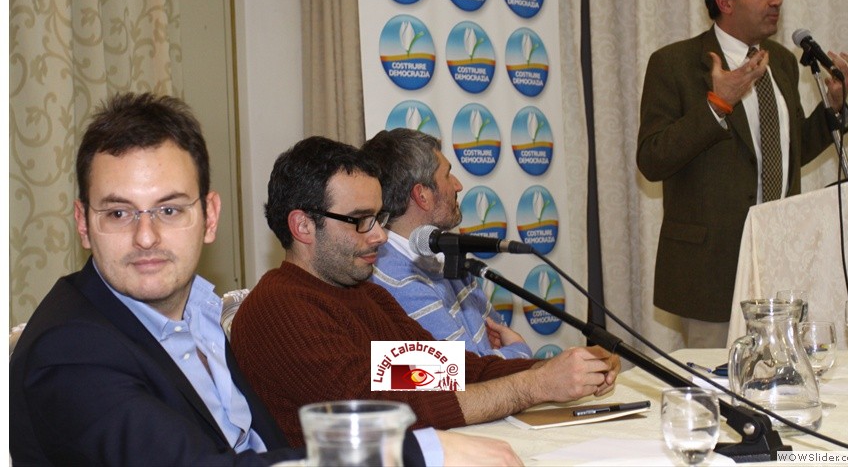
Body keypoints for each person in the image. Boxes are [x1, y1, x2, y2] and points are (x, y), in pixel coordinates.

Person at [10, 93, 514, 467]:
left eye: (170, 209)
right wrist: (427, 449)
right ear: (83, 224)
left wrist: (534, 375)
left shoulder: (359, 298)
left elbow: (440, 370)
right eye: (119, 213)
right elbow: (392, 400)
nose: (146, 236)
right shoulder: (70, 346)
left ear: (210, 217)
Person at [230, 136, 620, 448]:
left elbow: (448, 372)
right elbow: (387, 414)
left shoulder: (366, 296)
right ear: (302, 226)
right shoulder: (278, 310)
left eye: (378, 218)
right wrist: (536, 386)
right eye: (360, 220)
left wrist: (562, 369)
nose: (380, 236)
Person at [636, 0, 848, 348]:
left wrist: (834, 108)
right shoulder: (675, 63)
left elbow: (787, 153)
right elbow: (652, 158)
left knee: (783, 380)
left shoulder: (783, 63)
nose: (777, 0)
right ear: (725, 1)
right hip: (711, 271)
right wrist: (716, 105)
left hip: (782, 259)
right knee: (720, 382)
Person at [363, 128, 532, 359]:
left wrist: (495, 354)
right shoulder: (395, 280)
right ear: (422, 195)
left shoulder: (444, 252)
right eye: (447, 175)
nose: (458, 185)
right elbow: (466, 372)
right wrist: (519, 350)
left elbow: (495, 334)